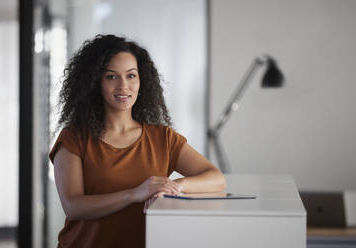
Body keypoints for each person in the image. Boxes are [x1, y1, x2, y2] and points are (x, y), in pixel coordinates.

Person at [49, 34, 226, 248]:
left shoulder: (163, 138)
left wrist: (172, 187)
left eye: (131, 76)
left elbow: (216, 178)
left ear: (142, 80)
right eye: (111, 77)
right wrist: (134, 194)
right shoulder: (74, 138)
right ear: (95, 82)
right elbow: (73, 206)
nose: (124, 86)